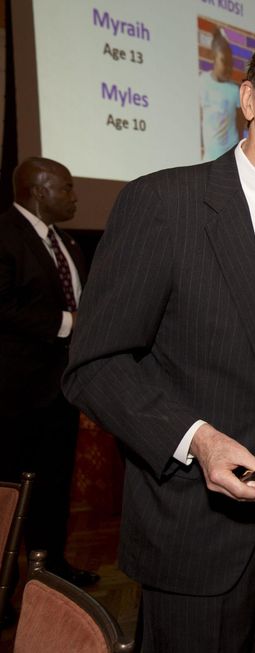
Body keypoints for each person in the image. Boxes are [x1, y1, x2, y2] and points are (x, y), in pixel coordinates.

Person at [63, 29, 255, 652]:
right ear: (248, 99)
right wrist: (199, 438)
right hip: (192, 530)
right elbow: (95, 365)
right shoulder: (163, 202)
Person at [0, 157, 99, 589]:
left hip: (60, 392)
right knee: (7, 494)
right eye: (67, 188)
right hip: (13, 396)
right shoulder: (4, 235)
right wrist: (68, 323)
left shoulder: (69, 244)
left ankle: (50, 571)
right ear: (39, 191)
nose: (75, 196)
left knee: (54, 488)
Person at [199, 27, 244, 161]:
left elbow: (240, 125)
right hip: (210, 158)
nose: (228, 67)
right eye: (224, 61)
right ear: (213, 57)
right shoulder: (202, 83)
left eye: (231, 63)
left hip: (230, 159)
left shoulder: (234, 90)